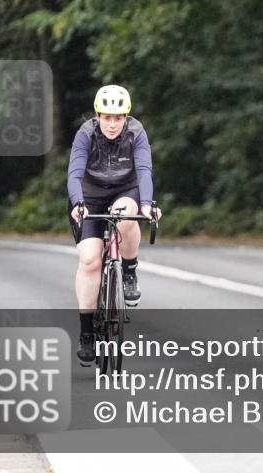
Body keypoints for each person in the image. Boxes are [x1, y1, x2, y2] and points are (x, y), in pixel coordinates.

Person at [67, 85, 162, 365]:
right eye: (106, 117)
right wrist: (78, 203)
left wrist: (146, 204)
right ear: (97, 116)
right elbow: (74, 173)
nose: (112, 124)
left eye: (118, 117)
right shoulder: (85, 133)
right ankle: (87, 334)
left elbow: (144, 171)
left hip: (125, 191)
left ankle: (129, 269)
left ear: (126, 118)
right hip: (89, 197)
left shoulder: (137, 132)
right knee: (89, 262)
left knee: (125, 216)